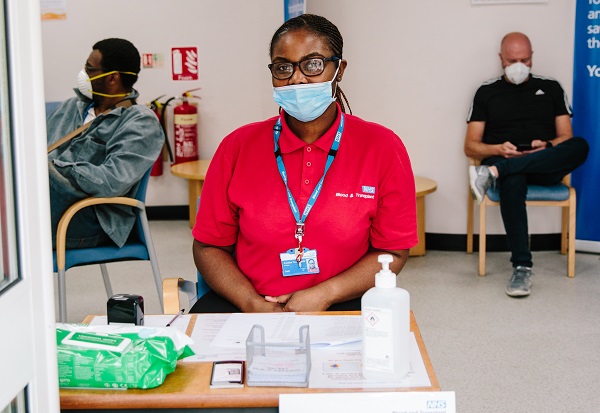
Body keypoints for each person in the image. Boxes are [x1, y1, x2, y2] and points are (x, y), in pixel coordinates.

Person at [191, 14, 417, 313]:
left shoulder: (382, 146)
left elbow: (392, 251)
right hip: (247, 304)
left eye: (313, 64)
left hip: (343, 302)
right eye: (283, 67)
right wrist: (251, 303)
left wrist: (325, 293)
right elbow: (209, 245)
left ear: (340, 69)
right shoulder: (238, 146)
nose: (297, 78)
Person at [465, 32, 589, 297]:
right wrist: (498, 149)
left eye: (524, 59)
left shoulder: (552, 88)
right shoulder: (486, 92)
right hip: (505, 158)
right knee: (513, 181)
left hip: (543, 163)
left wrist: (547, 146)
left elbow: (566, 136)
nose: (519, 65)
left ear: (532, 58)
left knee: (580, 145)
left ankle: (491, 173)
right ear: (501, 59)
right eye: (512, 60)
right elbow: (471, 146)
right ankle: (522, 266)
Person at [47, 38, 164, 249]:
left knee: (13, 230)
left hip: (90, 218)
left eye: (90, 69)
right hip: (50, 206)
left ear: (112, 79)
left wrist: (56, 170)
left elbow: (112, 182)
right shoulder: (70, 107)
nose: (83, 75)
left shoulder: (140, 122)